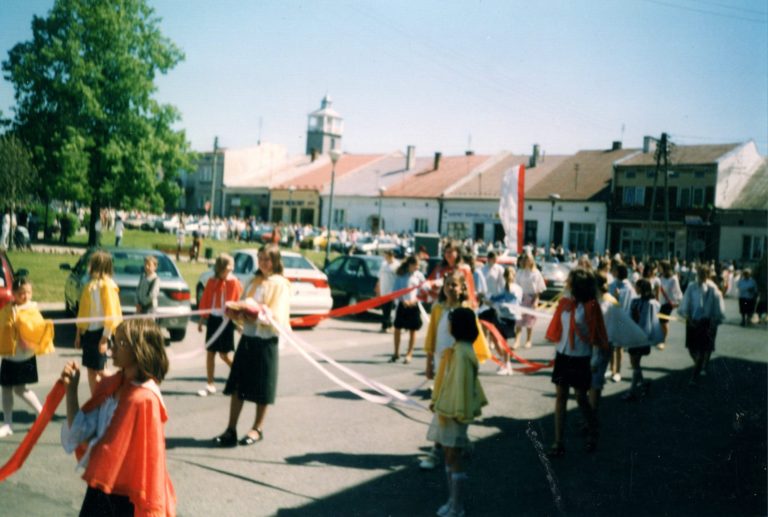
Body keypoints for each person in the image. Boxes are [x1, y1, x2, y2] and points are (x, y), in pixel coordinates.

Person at [60, 319, 176, 516]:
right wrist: (71, 391)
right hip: (103, 487)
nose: (112, 347)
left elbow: (149, 464)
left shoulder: (145, 398)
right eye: (114, 340)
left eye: (121, 343)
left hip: (126, 496)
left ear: (140, 350)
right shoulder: (111, 385)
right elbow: (79, 433)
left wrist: (93, 445)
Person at [213, 244, 290, 447]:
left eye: (268, 259)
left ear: (275, 261)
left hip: (266, 340)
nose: (263, 263)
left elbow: (276, 316)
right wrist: (236, 312)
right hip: (248, 338)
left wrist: (255, 313)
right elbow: (243, 305)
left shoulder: (280, 284)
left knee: (262, 387)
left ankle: (257, 428)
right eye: (261, 258)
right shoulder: (253, 281)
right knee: (238, 384)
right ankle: (231, 429)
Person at [421, 270, 490, 470]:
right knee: (444, 405)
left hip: (457, 364)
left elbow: (474, 337)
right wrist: (429, 363)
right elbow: (431, 336)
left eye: (454, 285)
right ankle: (459, 443)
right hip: (441, 363)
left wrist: (472, 362)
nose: (450, 288)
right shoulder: (437, 309)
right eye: (447, 284)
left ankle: (436, 451)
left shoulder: (466, 310)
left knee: (445, 406)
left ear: (462, 289)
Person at [428, 307, 488, 517]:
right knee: (448, 454)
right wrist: (437, 400)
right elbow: (448, 382)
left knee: (454, 457)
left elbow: (461, 386)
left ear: (458, 326)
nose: (448, 325)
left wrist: (457, 411)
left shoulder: (462, 353)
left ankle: (457, 506)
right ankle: (451, 500)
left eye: (451, 321)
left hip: (454, 411)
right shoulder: (458, 349)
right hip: (448, 408)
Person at [545, 268, 608, 457]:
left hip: (582, 357)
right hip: (563, 355)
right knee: (560, 397)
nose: (567, 283)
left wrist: (595, 360)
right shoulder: (566, 302)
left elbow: (597, 334)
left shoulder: (591, 306)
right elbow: (559, 329)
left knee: (581, 398)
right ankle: (558, 442)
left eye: (570, 281)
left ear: (578, 285)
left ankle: (593, 429)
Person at [0, 277, 54, 438]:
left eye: (28, 292)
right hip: (9, 355)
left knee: (20, 389)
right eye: (21, 293)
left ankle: (42, 413)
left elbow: (37, 328)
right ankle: (8, 423)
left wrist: (25, 338)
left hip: (24, 356)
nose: (25, 296)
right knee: (6, 389)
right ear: (14, 294)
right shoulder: (9, 308)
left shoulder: (31, 309)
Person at [76, 250, 123, 394]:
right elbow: (83, 312)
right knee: (91, 370)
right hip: (89, 333)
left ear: (99, 267)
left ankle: (118, 390)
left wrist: (105, 338)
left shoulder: (108, 287)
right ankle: (94, 400)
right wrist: (79, 334)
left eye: (91, 265)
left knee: (101, 370)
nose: (89, 268)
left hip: (100, 333)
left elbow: (112, 315)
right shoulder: (90, 286)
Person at [197, 254, 243, 397]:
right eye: (226, 270)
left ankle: (240, 376)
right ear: (220, 268)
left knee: (224, 355)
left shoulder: (234, 282)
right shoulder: (212, 281)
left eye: (230, 270)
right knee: (210, 353)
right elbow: (207, 300)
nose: (228, 272)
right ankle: (210, 384)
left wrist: (238, 323)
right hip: (214, 320)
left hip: (226, 321)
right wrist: (201, 319)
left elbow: (238, 304)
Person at [678, 264, 725, 384]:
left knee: (704, 347)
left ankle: (696, 373)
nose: (702, 276)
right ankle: (698, 364)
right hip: (693, 320)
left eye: (704, 274)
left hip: (706, 321)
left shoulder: (713, 288)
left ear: (708, 275)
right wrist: (687, 316)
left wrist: (715, 320)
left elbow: (718, 306)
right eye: (700, 274)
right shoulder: (691, 287)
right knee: (691, 347)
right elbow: (686, 302)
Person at [623, 279, 663, 401]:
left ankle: (632, 391)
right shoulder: (635, 301)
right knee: (635, 363)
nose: (635, 288)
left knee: (635, 362)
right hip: (634, 335)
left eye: (637, 287)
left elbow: (651, 321)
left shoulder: (652, 303)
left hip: (642, 337)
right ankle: (644, 384)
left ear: (641, 288)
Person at [488, 267, 523, 376]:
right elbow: (495, 299)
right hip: (501, 316)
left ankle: (507, 365)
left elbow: (511, 302)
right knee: (496, 338)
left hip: (508, 317)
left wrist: (494, 301)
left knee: (503, 342)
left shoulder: (515, 289)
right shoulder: (502, 288)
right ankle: (504, 361)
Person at [390, 256, 425, 364]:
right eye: (415, 265)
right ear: (409, 265)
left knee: (412, 330)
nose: (417, 267)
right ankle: (396, 353)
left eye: (418, 265)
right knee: (397, 328)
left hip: (414, 306)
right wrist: (402, 300)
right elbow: (395, 290)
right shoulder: (401, 275)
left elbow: (423, 291)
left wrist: (414, 301)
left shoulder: (419, 276)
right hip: (402, 305)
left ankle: (409, 353)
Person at [607, 262, 636, 383]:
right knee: (610, 346)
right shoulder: (612, 284)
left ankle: (617, 371)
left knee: (619, 346)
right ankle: (612, 369)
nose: (612, 272)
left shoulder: (628, 287)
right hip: (611, 318)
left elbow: (630, 304)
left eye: (614, 270)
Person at [514, 251, 546, 349]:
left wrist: (536, 300)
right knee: (518, 321)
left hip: (532, 298)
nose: (526, 260)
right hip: (521, 298)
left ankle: (528, 340)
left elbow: (539, 289)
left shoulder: (536, 273)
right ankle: (517, 341)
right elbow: (516, 285)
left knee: (529, 322)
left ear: (532, 260)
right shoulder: (520, 272)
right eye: (525, 259)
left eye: (528, 259)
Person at [658, 260, 683, 349]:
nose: (658, 268)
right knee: (661, 321)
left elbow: (678, 291)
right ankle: (661, 337)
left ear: (664, 267)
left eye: (659, 266)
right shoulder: (660, 277)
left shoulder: (673, 278)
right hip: (660, 301)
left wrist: (678, 301)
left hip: (668, 302)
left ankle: (664, 340)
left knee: (663, 321)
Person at [376, 250, 399, 333]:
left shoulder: (396, 265)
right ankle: (386, 325)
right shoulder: (383, 264)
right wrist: (378, 287)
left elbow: (398, 278)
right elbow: (379, 277)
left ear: (391, 255)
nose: (385, 257)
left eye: (386, 255)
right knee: (384, 309)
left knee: (389, 309)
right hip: (383, 290)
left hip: (391, 291)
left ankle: (388, 325)